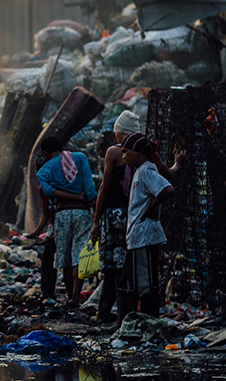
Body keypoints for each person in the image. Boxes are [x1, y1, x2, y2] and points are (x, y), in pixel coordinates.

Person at [91, 111, 186, 330]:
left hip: (130, 225)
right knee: (130, 274)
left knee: (129, 275)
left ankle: (124, 319)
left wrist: (97, 220)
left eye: (125, 151)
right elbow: (170, 175)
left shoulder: (131, 161)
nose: (123, 155)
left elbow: (105, 187)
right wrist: (178, 163)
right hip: (134, 225)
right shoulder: (145, 160)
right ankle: (126, 320)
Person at [116, 132, 175, 327]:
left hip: (144, 236)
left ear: (138, 152)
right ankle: (132, 321)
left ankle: (149, 322)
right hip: (138, 236)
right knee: (132, 280)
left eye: (126, 151)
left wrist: (151, 208)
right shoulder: (140, 171)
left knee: (145, 282)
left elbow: (167, 189)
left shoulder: (146, 171)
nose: (123, 156)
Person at [36, 136, 97, 309]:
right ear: (62, 148)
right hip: (82, 213)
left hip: (62, 215)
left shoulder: (43, 172)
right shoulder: (80, 158)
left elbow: (50, 192)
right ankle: (75, 298)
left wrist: (72, 196)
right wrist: (93, 208)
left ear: (45, 153)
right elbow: (90, 188)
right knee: (79, 256)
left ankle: (69, 296)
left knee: (65, 258)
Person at [28, 155, 58, 303]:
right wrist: (37, 232)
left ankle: (73, 297)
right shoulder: (43, 190)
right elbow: (46, 213)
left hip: (66, 224)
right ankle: (47, 293)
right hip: (54, 228)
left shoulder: (62, 185)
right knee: (47, 256)